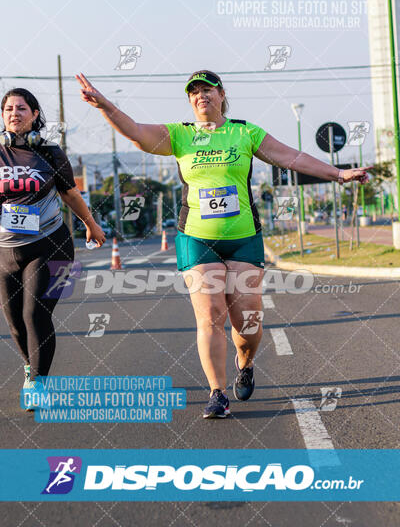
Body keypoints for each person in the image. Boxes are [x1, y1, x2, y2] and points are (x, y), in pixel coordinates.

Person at [75, 70, 371, 419]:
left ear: (221, 94)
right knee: (209, 317)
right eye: (195, 92)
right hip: (196, 238)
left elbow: (290, 157)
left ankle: (245, 364)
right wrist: (105, 106)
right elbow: (137, 133)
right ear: (190, 100)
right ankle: (217, 392)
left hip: (243, 239)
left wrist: (337, 174)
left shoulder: (245, 132)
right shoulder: (180, 136)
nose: (201, 95)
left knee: (247, 324)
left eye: (208, 90)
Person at [0, 88, 105, 409]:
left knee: (35, 313)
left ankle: (37, 383)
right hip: (4, 249)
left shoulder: (49, 152)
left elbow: (70, 193)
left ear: (34, 115)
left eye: (21, 108)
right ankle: (31, 366)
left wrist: (91, 223)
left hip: (50, 244)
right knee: (14, 320)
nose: (14, 113)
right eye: (8, 109)